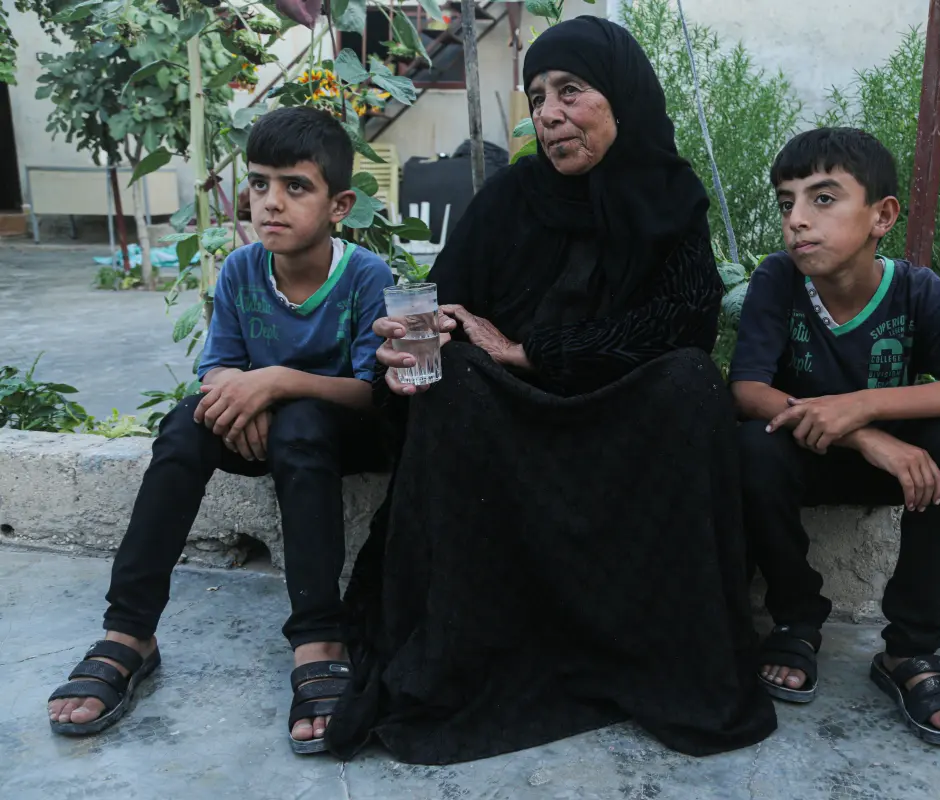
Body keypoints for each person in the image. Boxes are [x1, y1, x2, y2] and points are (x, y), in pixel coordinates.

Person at [325, 16, 777, 765]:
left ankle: (657, 652)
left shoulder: (669, 195)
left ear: (621, 96)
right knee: (455, 376)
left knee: (692, 382)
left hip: (623, 421)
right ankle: (481, 649)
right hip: (514, 434)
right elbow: (447, 312)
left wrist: (537, 350)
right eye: (537, 97)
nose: (551, 114)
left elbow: (685, 322)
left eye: (571, 91)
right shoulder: (506, 199)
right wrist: (410, 352)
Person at [46, 107, 395, 754]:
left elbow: (372, 392)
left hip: (338, 436)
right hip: (255, 431)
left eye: (296, 187)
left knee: (302, 422)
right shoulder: (240, 272)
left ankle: (319, 636)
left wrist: (277, 383)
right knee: (182, 428)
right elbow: (218, 375)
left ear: (339, 204)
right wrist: (252, 396)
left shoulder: (366, 278)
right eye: (260, 184)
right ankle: (130, 631)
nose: (271, 203)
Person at [730, 127, 940, 746]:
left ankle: (910, 650)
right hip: (810, 457)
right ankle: (796, 619)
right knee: (752, 443)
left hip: (905, 473)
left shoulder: (917, 292)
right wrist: (863, 436)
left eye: (824, 198)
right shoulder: (779, 281)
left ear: (881, 215)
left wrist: (862, 407)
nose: (798, 221)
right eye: (787, 203)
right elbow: (747, 389)